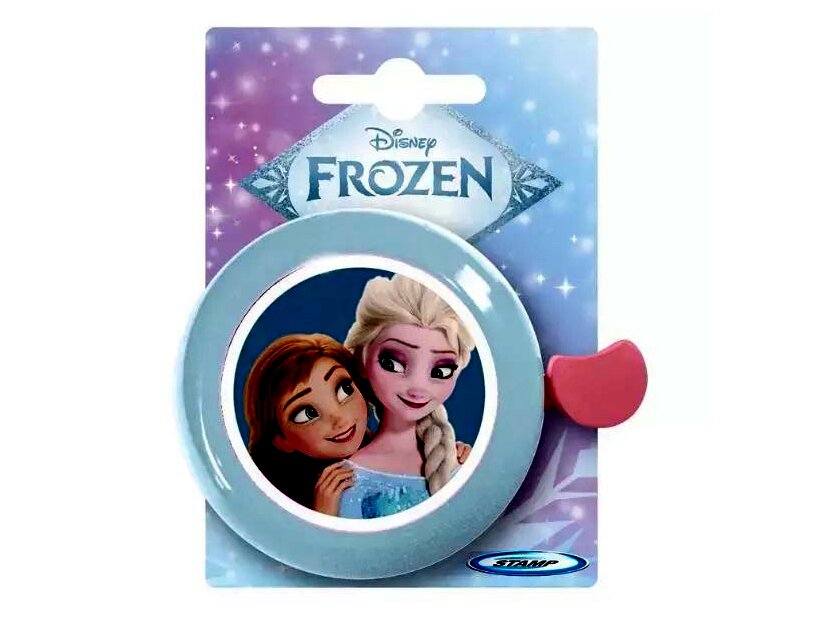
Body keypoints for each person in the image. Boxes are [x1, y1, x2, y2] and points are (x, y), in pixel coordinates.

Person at [340, 274, 476, 518]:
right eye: (392, 363)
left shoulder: (462, 460)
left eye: (441, 371)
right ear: (362, 358)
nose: (418, 387)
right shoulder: (350, 478)